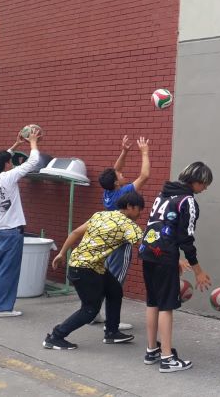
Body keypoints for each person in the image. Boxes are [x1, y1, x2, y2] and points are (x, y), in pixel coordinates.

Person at [44, 191, 145, 349]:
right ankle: (55, 337)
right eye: (139, 209)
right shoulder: (128, 225)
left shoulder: (100, 215)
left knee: (115, 290)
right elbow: (146, 246)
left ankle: (112, 332)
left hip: (83, 265)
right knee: (90, 310)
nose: (140, 213)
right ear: (130, 207)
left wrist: (62, 253)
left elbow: (76, 232)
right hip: (86, 270)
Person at [140, 161, 213, 373]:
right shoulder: (187, 201)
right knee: (166, 305)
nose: (205, 188)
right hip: (164, 256)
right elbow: (186, 239)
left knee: (152, 302)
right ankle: (167, 358)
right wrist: (198, 271)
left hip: (148, 251)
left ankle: (152, 349)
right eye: (204, 184)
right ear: (196, 182)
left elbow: (159, 226)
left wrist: (175, 257)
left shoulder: (163, 194)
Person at [0, 127, 42, 317]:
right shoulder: (8, 177)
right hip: (11, 232)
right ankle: (2, 308)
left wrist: (16, 145)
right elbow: (33, 162)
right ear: (7, 165)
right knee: (7, 271)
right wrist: (32, 141)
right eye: (9, 161)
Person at [94, 135, 151, 329]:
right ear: (117, 184)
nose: (121, 173)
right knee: (116, 282)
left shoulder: (108, 193)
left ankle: (95, 313)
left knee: (105, 276)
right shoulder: (123, 193)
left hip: (108, 240)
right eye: (119, 176)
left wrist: (125, 151)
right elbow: (144, 176)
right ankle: (112, 323)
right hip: (121, 242)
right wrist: (144, 152)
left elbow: (116, 170)